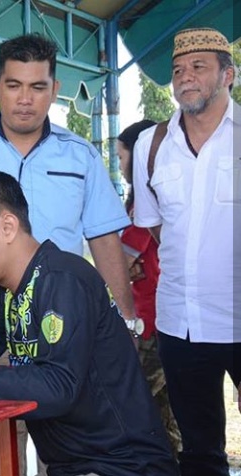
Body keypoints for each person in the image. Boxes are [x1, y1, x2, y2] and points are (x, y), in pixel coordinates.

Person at [0, 33, 138, 476]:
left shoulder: (80, 155)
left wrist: (126, 323)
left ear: (54, 90)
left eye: (38, 87)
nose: (25, 99)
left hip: (62, 320)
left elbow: (104, 241)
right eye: (14, 85)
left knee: (64, 439)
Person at [0, 171, 180, 476]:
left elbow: (58, 387)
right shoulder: (7, 290)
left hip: (124, 467)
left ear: (7, 227)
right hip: (74, 466)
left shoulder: (62, 278)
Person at [132, 27, 240, 476]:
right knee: (199, 450)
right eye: (178, 70)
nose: (185, 78)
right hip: (180, 323)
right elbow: (155, 226)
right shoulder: (151, 145)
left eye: (199, 67)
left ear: (228, 75)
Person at [117, 119, 182, 456]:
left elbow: (121, 261)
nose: (121, 166)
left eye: (122, 157)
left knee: (128, 405)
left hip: (151, 323)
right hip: (164, 319)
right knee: (166, 415)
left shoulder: (144, 202)